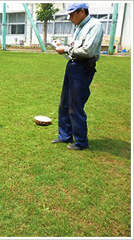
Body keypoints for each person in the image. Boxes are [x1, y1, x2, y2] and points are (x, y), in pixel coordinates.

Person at [52, 3, 103, 150]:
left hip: (83, 68)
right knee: (64, 104)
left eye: (71, 14)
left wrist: (66, 49)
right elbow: (77, 47)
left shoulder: (95, 26)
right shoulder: (79, 27)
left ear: (82, 12)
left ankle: (81, 142)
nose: (70, 18)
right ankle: (65, 136)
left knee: (75, 105)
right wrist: (62, 46)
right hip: (73, 66)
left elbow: (87, 51)